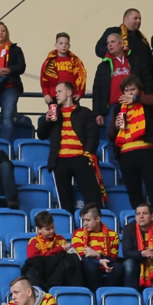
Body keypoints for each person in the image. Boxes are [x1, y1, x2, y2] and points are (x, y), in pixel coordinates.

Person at [38, 81, 104, 213]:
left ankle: (98, 224)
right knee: (65, 202)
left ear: (69, 93)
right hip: (60, 160)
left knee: (93, 199)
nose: (56, 95)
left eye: (59, 91)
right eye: (56, 92)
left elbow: (93, 135)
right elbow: (41, 135)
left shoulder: (85, 112)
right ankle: (69, 225)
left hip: (80, 158)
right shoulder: (54, 113)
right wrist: (47, 121)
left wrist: (87, 154)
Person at [108, 75, 153, 214]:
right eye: (126, 90)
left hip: (146, 149)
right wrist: (116, 127)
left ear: (139, 90)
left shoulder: (146, 102)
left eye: (132, 90)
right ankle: (140, 216)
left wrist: (136, 99)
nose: (129, 93)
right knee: (133, 189)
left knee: (152, 184)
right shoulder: (118, 108)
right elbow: (110, 136)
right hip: (126, 153)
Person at [92, 32, 153, 135]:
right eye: (108, 43)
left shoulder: (136, 60)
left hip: (135, 103)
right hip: (113, 107)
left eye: (113, 42)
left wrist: (146, 99)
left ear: (122, 44)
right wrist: (97, 113)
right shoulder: (103, 66)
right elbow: (97, 91)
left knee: (136, 133)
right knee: (113, 136)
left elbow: (147, 81)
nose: (109, 45)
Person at [22, 210, 82, 290]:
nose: (52, 231)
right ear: (39, 229)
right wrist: (59, 250)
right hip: (43, 273)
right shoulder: (34, 242)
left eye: (53, 227)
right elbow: (34, 261)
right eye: (48, 229)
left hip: (60, 274)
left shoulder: (61, 239)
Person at [72, 204, 123, 290]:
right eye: (84, 220)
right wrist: (99, 261)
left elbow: (113, 258)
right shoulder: (78, 233)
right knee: (90, 266)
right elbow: (82, 257)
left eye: (88, 220)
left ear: (98, 219)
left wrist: (98, 255)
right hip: (89, 264)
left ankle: (108, 294)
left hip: (107, 263)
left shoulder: (113, 235)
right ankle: (96, 294)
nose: (85, 224)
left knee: (118, 267)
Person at [40, 32, 87, 104]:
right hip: (54, 96)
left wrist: (80, 93)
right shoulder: (50, 61)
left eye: (66, 43)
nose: (64, 46)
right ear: (56, 45)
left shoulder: (75, 61)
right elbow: (44, 79)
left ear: (69, 46)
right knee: (55, 112)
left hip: (71, 96)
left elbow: (81, 77)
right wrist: (46, 94)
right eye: (61, 43)